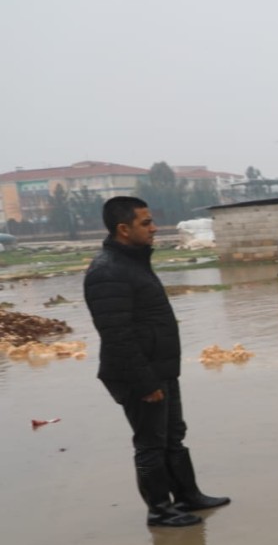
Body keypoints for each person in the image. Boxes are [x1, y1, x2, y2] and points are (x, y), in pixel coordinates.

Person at [84, 197, 230, 527]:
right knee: (150, 442)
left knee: (173, 434)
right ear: (123, 229)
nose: (154, 228)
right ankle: (160, 509)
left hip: (160, 366)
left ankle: (188, 496)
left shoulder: (133, 263)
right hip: (138, 373)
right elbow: (116, 335)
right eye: (146, 223)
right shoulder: (108, 272)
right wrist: (145, 383)